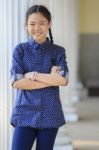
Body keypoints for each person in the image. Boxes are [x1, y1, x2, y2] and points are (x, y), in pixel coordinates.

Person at [10, 4, 69, 150]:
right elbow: (17, 82)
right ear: (26, 26)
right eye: (32, 24)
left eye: (42, 23)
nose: (37, 27)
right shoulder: (20, 50)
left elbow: (63, 80)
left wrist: (32, 76)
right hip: (24, 112)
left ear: (49, 24)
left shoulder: (58, 52)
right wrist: (50, 78)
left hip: (50, 112)